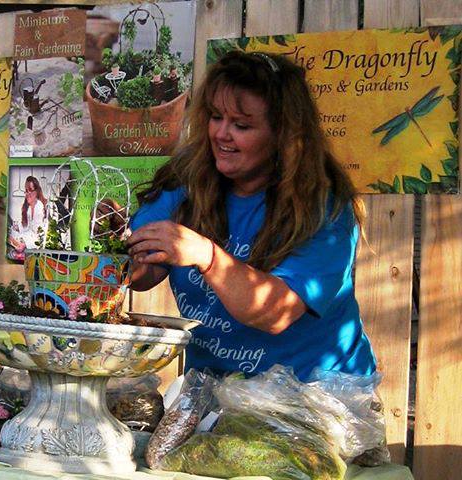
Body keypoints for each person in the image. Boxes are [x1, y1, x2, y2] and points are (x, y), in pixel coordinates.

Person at [127, 51, 376, 381]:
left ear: (284, 136)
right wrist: (117, 256)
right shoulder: (185, 182)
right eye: (216, 117)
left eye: (241, 125)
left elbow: (276, 312)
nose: (221, 134)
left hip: (313, 398)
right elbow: (144, 273)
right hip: (215, 391)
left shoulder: (322, 208)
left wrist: (207, 257)